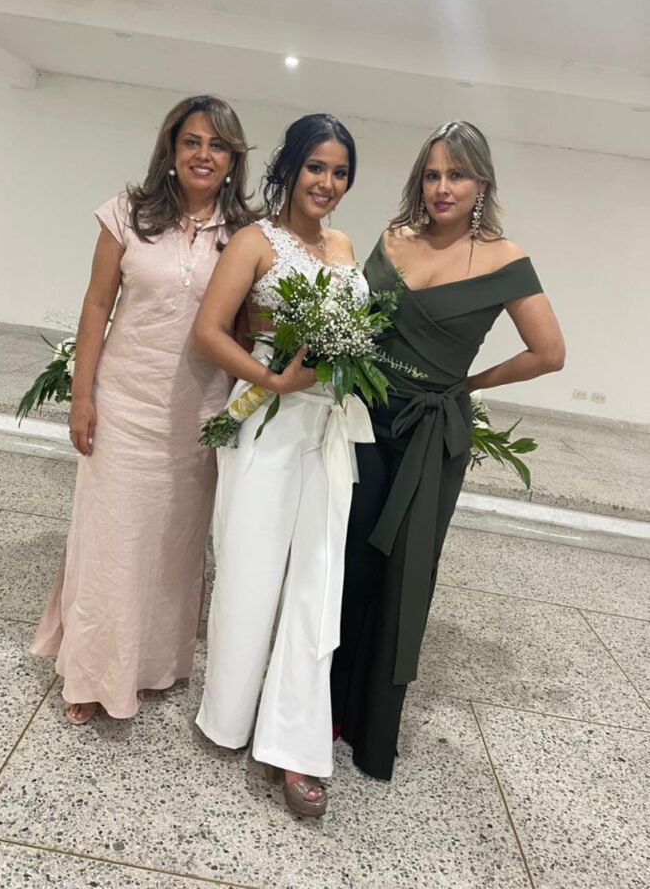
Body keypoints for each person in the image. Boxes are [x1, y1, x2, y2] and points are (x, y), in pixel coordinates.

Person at [331, 120, 566, 780]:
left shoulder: (504, 259)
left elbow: (549, 352)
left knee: (405, 577)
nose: (442, 187)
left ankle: (371, 728)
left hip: (430, 438)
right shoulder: (392, 239)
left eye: (457, 175)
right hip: (361, 421)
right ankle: (320, 707)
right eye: (433, 174)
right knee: (347, 563)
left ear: (481, 182)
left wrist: (470, 384)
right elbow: (356, 325)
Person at [31, 94, 253, 724]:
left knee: (171, 551)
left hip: (197, 418)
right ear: (171, 149)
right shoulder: (127, 213)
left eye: (217, 145)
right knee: (110, 544)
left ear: (233, 158)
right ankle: (90, 675)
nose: (203, 154)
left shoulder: (243, 234)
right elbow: (97, 305)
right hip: (124, 406)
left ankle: (152, 667)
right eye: (192, 141)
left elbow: (246, 328)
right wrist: (82, 396)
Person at [193, 114, 374, 817]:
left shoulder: (344, 246)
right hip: (266, 426)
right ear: (290, 168)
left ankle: (294, 741)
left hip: (328, 429)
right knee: (250, 571)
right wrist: (272, 380)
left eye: (340, 171)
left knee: (316, 584)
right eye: (316, 167)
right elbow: (209, 332)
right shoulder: (254, 241)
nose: (327, 182)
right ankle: (230, 715)